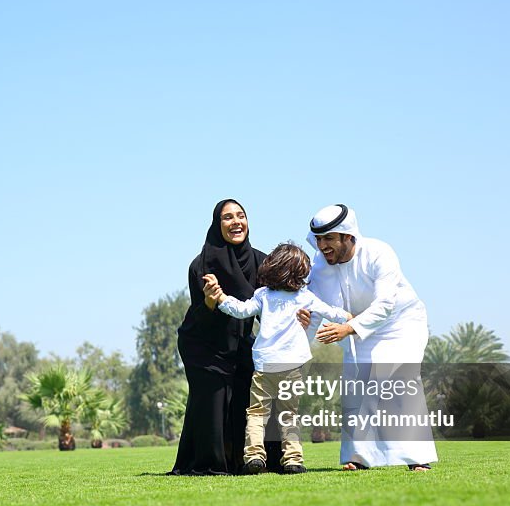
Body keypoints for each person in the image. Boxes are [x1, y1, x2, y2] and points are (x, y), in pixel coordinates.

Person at [299, 204, 438, 471]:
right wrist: (296, 346)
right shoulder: (318, 268)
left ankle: (417, 459)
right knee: (356, 387)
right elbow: (313, 311)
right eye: (318, 239)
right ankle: (359, 458)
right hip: (357, 327)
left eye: (329, 238)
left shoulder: (379, 252)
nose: (322, 245)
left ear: (348, 236)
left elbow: (386, 304)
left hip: (400, 323)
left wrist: (349, 329)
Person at [206, 242, 352, 474]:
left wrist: (222, 297)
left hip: (265, 365)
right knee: (288, 414)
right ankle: (293, 460)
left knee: (256, 413)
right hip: (294, 365)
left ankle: (254, 456)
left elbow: (241, 310)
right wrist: (353, 319)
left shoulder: (263, 295)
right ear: (299, 273)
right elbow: (332, 312)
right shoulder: (305, 297)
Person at [169, 199, 281, 475]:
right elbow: (201, 315)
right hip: (204, 343)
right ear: (217, 225)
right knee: (214, 400)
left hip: (240, 342)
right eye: (227, 217)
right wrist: (211, 299)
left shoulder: (261, 261)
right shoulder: (202, 264)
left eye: (240, 216)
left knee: (250, 395)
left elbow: (269, 306)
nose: (236, 222)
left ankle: (254, 460)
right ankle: (210, 462)